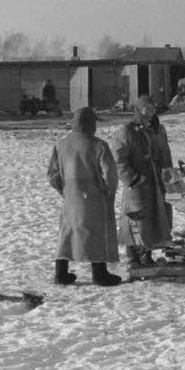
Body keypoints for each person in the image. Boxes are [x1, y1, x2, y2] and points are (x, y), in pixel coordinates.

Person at [47, 107, 122, 287]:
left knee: (67, 232)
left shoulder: (61, 144)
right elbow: (110, 174)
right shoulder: (98, 145)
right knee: (96, 231)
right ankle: (99, 274)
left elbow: (52, 175)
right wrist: (108, 191)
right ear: (91, 123)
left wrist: (64, 190)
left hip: (71, 196)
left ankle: (60, 273)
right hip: (94, 195)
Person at [112, 94, 174, 266]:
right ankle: (133, 257)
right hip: (138, 183)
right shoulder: (128, 130)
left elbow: (165, 153)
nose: (150, 112)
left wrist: (169, 174)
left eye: (153, 109)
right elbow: (118, 157)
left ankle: (146, 255)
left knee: (153, 218)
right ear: (138, 109)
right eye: (147, 109)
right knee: (136, 218)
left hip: (157, 181)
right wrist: (131, 178)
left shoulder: (158, 129)